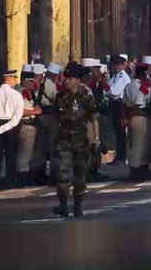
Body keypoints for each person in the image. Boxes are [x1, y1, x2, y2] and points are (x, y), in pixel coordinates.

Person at [53, 63, 96, 218]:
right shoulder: (60, 96)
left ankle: (78, 207)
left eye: (71, 78)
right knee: (62, 175)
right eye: (67, 78)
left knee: (80, 174)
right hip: (63, 139)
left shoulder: (86, 96)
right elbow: (56, 118)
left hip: (80, 140)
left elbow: (93, 118)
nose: (67, 81)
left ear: (78, 80)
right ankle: (63, 205)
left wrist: (95, 139)